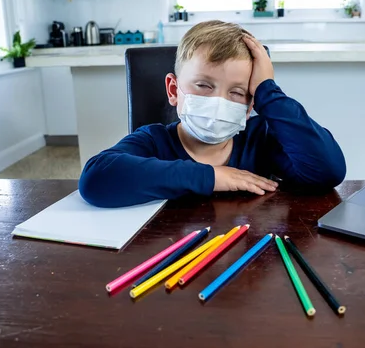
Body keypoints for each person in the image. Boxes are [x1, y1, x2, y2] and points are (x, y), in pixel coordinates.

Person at [79, 20, 346, 208]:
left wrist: (268, 92)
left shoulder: (260, 139)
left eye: (237, 93)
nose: (219, 102)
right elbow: (95, 179)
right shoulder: (153, 141)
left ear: (251, 104)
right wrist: (212, 176)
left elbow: (327, 171)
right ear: (174, 90)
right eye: (204, 85)